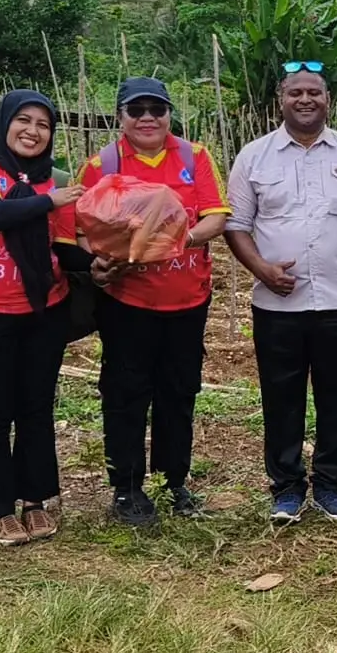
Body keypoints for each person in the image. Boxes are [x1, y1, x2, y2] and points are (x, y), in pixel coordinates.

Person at [225, 62, 337, 523]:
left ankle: (333, 486)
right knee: (281, 396)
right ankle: (287, 488)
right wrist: (261, 269)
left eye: (314, 92)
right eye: (296, 92)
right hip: (276, 303)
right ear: (281, 99)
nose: (305, 100)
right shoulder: (253, 157)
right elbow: (236, 226)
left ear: (328, 99)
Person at [78, 77, 230, 526]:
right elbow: (84, 230)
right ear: (120, 116)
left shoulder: (194, 157)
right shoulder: (101, 164)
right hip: (129, 302)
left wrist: (170, 240)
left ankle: (173, 480)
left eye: (157, 109)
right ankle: (126, 488)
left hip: (187, 299)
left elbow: (217, 215)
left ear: (169, 115)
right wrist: (106, 258)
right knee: (125, 394)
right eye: (136, 109)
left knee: (179, 392)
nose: (148, 117)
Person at [0, 90, 88, 545]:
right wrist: (52, 201)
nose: (32, 131)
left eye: (43, 125)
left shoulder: (55, 178)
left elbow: (63, 249)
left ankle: (36, 500)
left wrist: (109, 259)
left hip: (43, 311)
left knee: (35, 408)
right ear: (5, 123)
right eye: (23, 121)